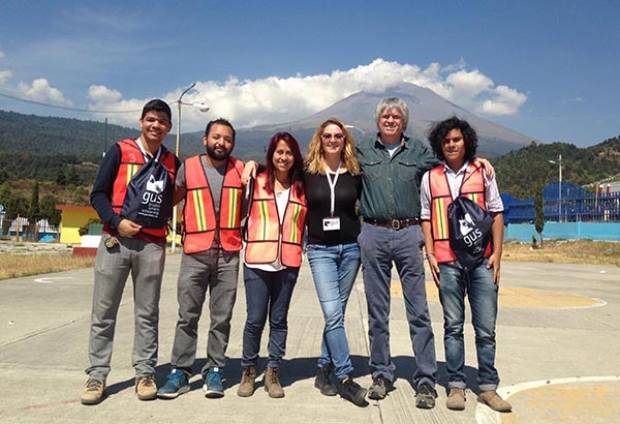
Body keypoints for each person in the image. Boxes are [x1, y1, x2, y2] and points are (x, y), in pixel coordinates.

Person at [82, 99, 179, 405]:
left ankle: (145, 372)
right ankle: (97, 375)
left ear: (169, 128)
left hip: (151, 245)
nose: (156, 125)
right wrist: (116, 222)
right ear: (140, 121)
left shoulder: (172, 161)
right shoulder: (120, 151)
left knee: (147, 313)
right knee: (103, 312)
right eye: (151, 119)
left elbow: (172, 198)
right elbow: (97, 194)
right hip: (115, 242)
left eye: (162, 122)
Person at [420, 117, 511, 413]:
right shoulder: (429, 177)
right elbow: (425, 217)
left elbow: (496, 213)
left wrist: (497, 254)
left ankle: (487, 387)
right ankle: (456, 385)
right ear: (439, 145)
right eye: (446, 141)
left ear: (466, 141)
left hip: (481, 260)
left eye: (456, 140)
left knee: (486, 328)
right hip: (447, 262)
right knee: (453, 326)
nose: (451, 144)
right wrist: (431, 253)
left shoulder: (483, 172)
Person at [356, 97, 440, 408]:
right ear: (378, 120)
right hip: (374, 233)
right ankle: (381, 373)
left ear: (403, 122)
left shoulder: (418, 151)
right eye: (385, 116)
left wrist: (478, 161)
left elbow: (448, 165)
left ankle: (426, 379)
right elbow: (327, 163)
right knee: (378, 312)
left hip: (409, 233)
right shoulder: (362, 150)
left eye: (396, 116)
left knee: (418, 310)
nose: (390, 120)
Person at [157, 119, 244, 399]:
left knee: (222, 317)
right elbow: (170, 199)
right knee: (187, 316)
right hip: (195, 252)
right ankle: (180, 371)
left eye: (227, 139)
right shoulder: (189, 167)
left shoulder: (241, 170)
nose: (221, 143)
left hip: (228, 254)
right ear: (205, 139)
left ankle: (215, 368)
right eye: (216, 137)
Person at [237, 132, 307, 399]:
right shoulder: (257, 180)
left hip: (288, 262)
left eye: (289, 152)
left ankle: (273, 371)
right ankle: (248, 370)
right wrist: (250, 163)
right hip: (257, 261)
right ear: (271, 153)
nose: (283, 157)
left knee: (279, 320)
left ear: (295, 157)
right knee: (255, 319)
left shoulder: (302, 187)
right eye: (279, 152)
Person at [304, 119, 367, 407]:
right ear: (320, 139)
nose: (332, 140)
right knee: (333, 313)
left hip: (350, 250)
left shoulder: (355, 171)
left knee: (336, 314)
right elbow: (276, 168)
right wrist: (253, 166)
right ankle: (343, 377)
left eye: (338, 136)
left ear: (345, 140)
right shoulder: (307, 172)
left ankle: (322, 369)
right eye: (327, 135)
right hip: (320, 250)